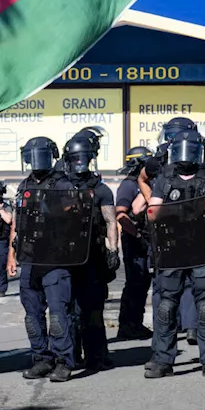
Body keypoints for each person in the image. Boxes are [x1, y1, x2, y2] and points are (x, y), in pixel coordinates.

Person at [144, 129, 205, 380]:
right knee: (166, 306)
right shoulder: (164, 178)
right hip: (172, 250)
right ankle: (162, 360)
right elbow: (153, 212)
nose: (185, 157)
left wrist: (179, 212)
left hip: (201, 249)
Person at [9, 137, 79, 382]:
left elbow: (73, 214)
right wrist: (11, 254)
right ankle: (41, 358)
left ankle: (63, 361)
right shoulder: (24, 184)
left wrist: (51, 211)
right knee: (32, 314)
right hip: (29, 258)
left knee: (59, 314)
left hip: (55, 258)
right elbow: (17, 224)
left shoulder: (61, 183)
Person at [64, 133, 119, 373]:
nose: (80, 164)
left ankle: (98, 355)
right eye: (75, 159)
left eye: (83, 159)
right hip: (68, 256)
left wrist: (114, 250)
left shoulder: (101, 189)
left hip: (95, 255)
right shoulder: (62, 187)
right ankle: (72, 354)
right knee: (70, 309)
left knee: (94, 310)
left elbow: (110, 221)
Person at [115, 146, 154, 341]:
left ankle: (135, 324)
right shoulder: (129, 185)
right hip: (134, 241)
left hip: (145, 239)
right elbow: (121, 215)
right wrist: (137, 236)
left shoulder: (145, 183)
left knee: (143, 284)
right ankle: (128, 326)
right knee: (135, 284)